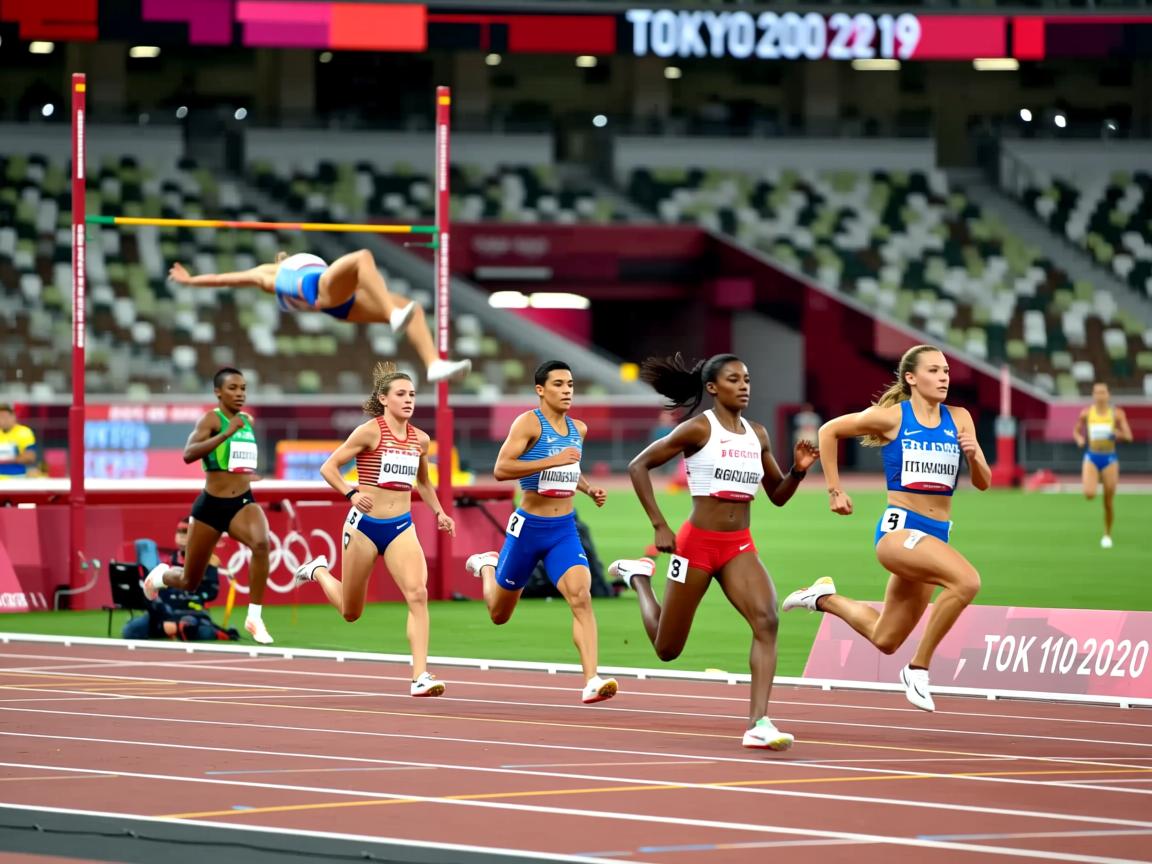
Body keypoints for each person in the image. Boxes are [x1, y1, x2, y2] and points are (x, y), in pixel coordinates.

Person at [607, 353, 817, 750]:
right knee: (667, 649)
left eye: (747, 379)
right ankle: (638, 579)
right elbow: (638, 466)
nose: (744, 386)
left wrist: (799, 470)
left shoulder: (758, 434)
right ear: (712, 388)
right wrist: (659, 524)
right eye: (734, 379)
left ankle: (759, 723)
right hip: (696, 545)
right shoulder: (698, 429)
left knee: (767, 620)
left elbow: (777, 495)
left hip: (739, 546)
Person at [781, 344, 990, 713]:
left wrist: (973, 456)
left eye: (945, 371)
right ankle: (918, 669)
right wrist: (834, 490)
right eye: (933, 370)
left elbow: (984, 482)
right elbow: (829, 431)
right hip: (899, 533)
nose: (943, 377)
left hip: (934, 537)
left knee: (885, 638)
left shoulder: (960, 418)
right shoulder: (892, 417)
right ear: (911, 378)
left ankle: (822, 597)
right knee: (967, 582)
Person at [293, 361, 455, 697]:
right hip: (364, 528)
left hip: (401, 527)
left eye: (412, 394)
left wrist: (440, 512)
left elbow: (424, 482)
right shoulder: (369, 432)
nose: (408, 400)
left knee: (418, 594)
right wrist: (351, 494)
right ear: (384, 399)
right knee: (351, 611)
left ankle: (420, 676)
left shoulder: (421, 439)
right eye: (401, 394)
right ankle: (319, 571)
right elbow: (329, 467)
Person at [463, 360, 618, 705]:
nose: (567, 391)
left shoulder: (579, 428)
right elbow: (501, 468)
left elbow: (571, 468)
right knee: (499, 614)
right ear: (540, 390)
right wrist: (553, 459)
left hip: (563, 529)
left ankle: (592, 679)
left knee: (581, 596)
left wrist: (588, 489)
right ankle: (487, 566)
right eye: (559, 384)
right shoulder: (528, 423)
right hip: (528, 530)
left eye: (570, 385)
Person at [168, 250, 470, 383]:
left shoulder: (287, 268)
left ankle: (433, 364)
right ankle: (392, 315)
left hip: (342, 302)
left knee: (413, 309)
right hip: (323, 291)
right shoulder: (267, 275)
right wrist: (191, 281)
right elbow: (225, 278)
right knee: (362, 257)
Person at [141, 367, 275, 644]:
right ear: (218, 392)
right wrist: (225, 433)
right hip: (211, 507)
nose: (239, 393)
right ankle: (161, 575)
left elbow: (233, 460)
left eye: (243, 388)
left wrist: (246, 474)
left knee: (262, 545)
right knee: (190, 581)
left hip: (242, 502)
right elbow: (189, 454)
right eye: (232, 388)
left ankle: (254, 617)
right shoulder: (211, 420)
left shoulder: (246, 421)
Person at [1073, 381, 1133, 549]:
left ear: (1108, 395)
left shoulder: (1117, 414)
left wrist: (1118, 434)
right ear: (1093, 395)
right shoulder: (1086, 413)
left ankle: (1107, 534)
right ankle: (1096, 477)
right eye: (1097, 392)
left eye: (1103, 392)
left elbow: (1129, 436)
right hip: (1092, 456)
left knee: (1108, 501)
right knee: (1089, 494)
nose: (1100, 396)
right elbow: (1076, 431)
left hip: (1109, 459)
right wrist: (1079, 439)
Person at [0, 404, 39, 479]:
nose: (3, 420)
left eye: (5, 417)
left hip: (17, 476)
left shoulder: (24, 432)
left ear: (13, 417)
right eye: (1, 417)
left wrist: (6, 458)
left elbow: (30, 457)